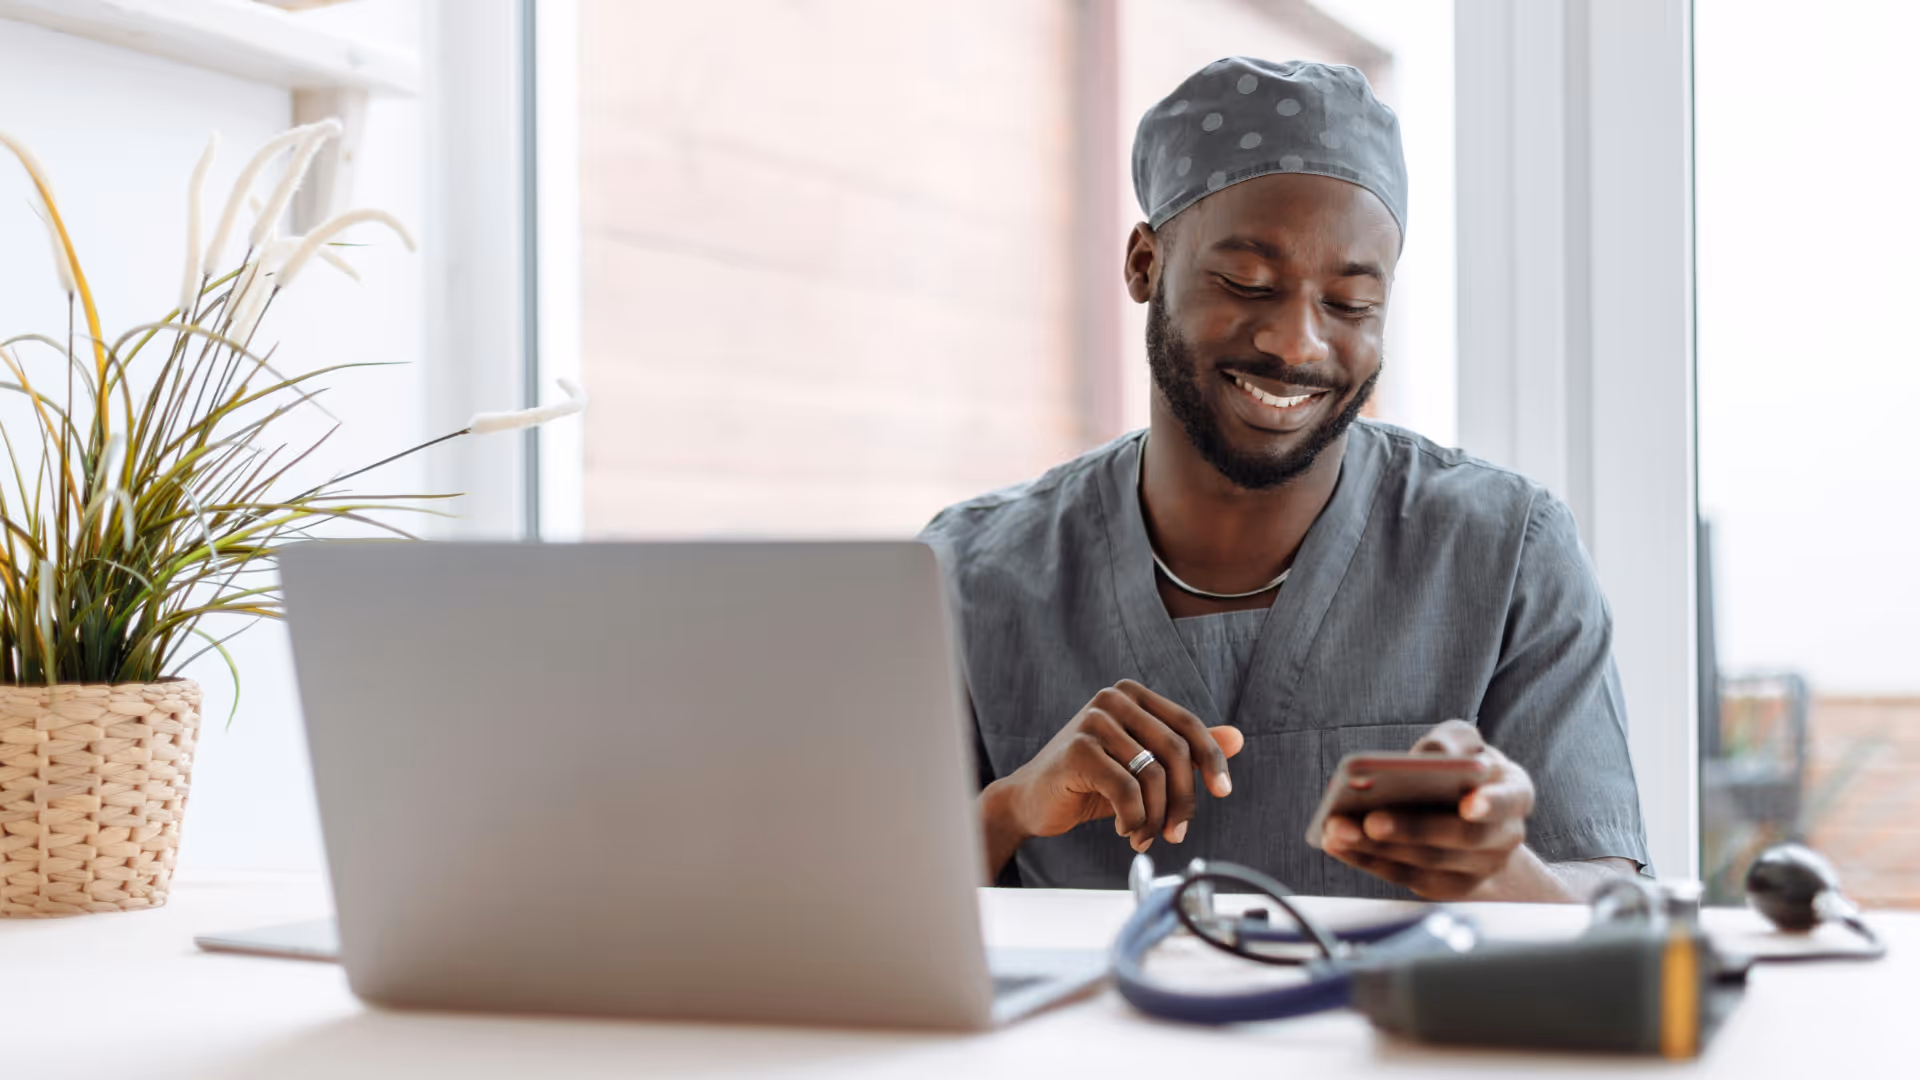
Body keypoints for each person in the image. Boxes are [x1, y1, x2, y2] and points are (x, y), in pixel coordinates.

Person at [921, 57, 1650, 902]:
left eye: (1349, 304)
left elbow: (1606, 899)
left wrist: (1499, 870)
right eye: (1246, 283)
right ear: (1144, 264)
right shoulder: (971, 575)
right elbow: (843, 910)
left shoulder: (1504, 549)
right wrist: (1010, 809)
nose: (1298, 344)